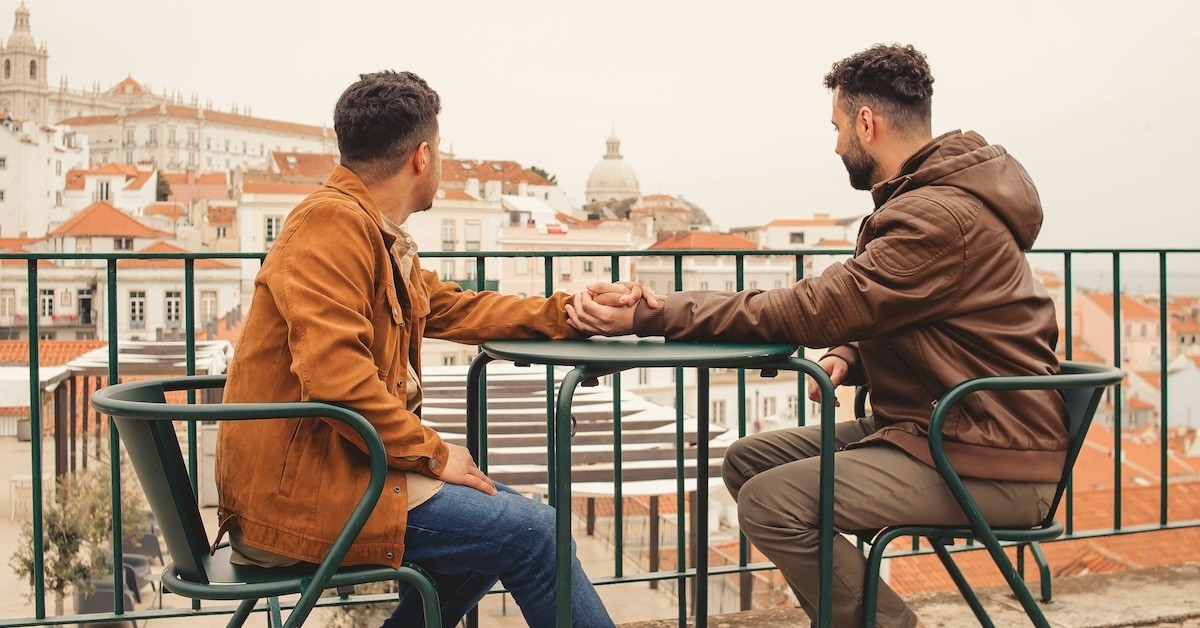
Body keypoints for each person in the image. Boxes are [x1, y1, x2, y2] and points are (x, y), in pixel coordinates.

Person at [567, 44, 1066, 628]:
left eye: (836, 127)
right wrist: (852, 353)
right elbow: (922, 309)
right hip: (942, 427)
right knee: (747, 462)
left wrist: (649, 315)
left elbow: (810, 309)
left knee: (772, 502)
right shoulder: (934, 201)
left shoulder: (936, 216)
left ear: (866, 123)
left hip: (987, 456)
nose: (834, 145)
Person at [215, 70, 614, 628]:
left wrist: (571, 311)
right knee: (536, 534)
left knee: (502, 528)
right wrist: (436, 453)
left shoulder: (366, 231)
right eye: (441, 150)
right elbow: (338, 379)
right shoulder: (330, 225)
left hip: (341, 477)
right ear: (423, 157)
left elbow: (457, 307)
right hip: (304, 501)